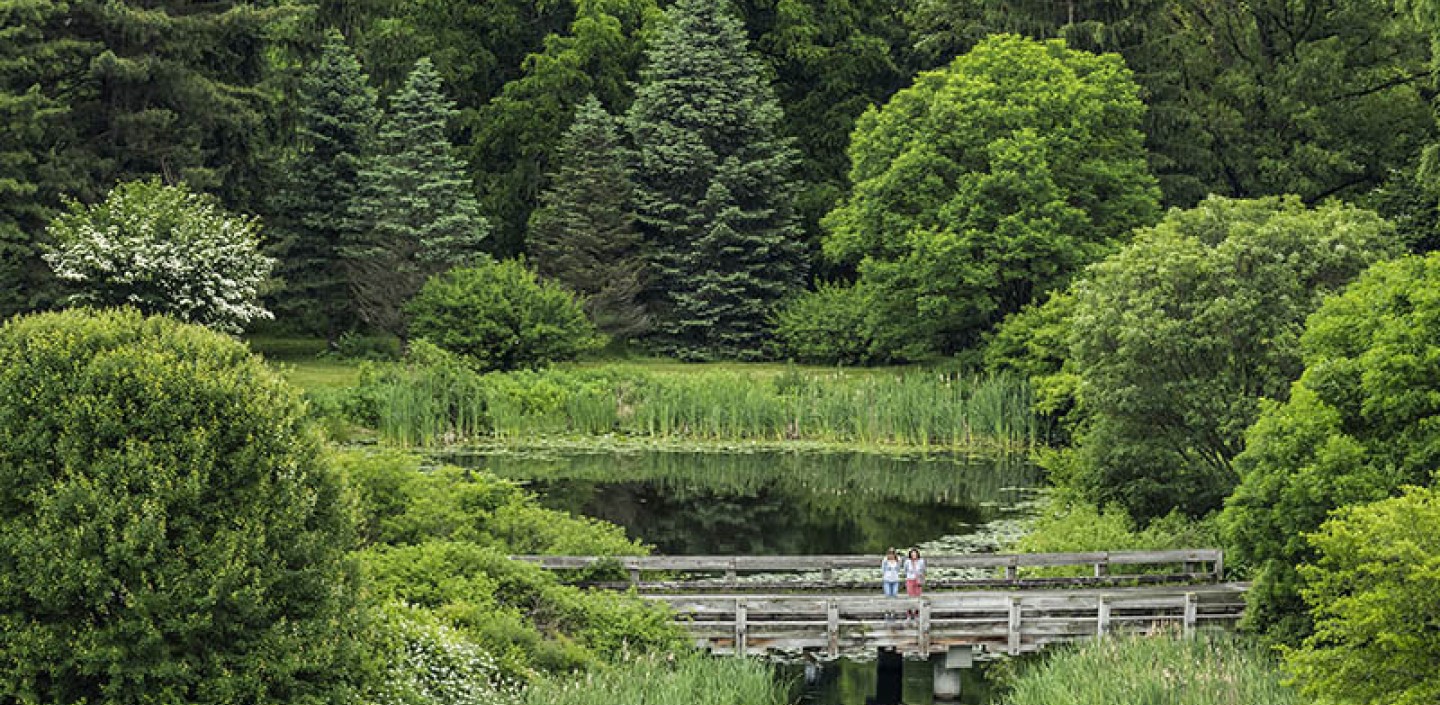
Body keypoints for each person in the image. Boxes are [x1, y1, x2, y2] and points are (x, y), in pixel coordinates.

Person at [904, 548, 926, 622]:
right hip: (910, 579)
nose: (914, 555)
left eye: (915, 553)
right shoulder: (907, 561)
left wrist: (921, 578)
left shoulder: (921, 561)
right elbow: (905, 570)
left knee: (918, 597)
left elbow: (923, 570)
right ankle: (909, 615)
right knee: (910, 596)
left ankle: (917, 615)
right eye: (912, 553)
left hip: (918, 580)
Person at [881, 548, 902, 619]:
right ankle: (887, 611)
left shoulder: (898, 560)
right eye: (890, 553)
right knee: (887, 595)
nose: (891, 555)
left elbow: (899, 569)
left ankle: (893, 610)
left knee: (895, 595)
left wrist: (898, 560)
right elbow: (883, 569)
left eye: (892, 553)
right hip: (887, 580)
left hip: (895, 580)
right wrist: (884, 576)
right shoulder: (885, 560)